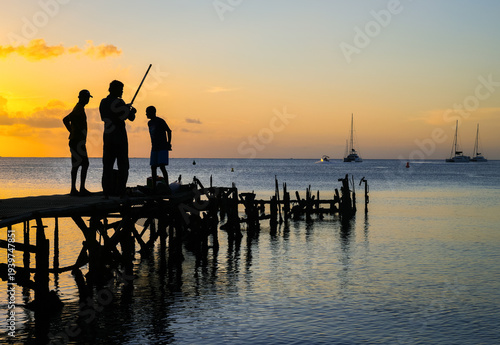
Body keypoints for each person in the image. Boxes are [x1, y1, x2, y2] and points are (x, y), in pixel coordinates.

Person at [99, 80, 136, 198]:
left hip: (108, 138)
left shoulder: (103, 102)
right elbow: (130, 117)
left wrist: (124, 108)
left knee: (107, 167)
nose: (122, 92)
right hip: (119, 139)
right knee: (123, 166)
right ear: (115, 89)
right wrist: (131, 111)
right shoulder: (119, 102)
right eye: (121, 89)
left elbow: (104, 117)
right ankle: (121, 192)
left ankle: (106, 193)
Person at [63, 89, 92, 196]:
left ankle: (76, 189)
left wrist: (73, 131)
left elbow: (66, 120)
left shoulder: (79, 108)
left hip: (78, 141)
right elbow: (65, 119)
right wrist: (72, 131)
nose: (88, 100)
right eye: (87, 97)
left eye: (88, 98)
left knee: (79, 164)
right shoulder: (79, 109)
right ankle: (78, 189)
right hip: (77, 141)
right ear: (82, 97)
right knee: (83, 164)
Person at [146, 106, 172, 192]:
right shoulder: (149, 123)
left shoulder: (160, 121)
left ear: (152, 112)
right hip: (154, 147)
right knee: (153, 167)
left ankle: (167, 186)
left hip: (162, 147)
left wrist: (168, 143)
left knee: (162, 166)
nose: (146, 114)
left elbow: (169, 131)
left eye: (147, 112)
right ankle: (154, 187)